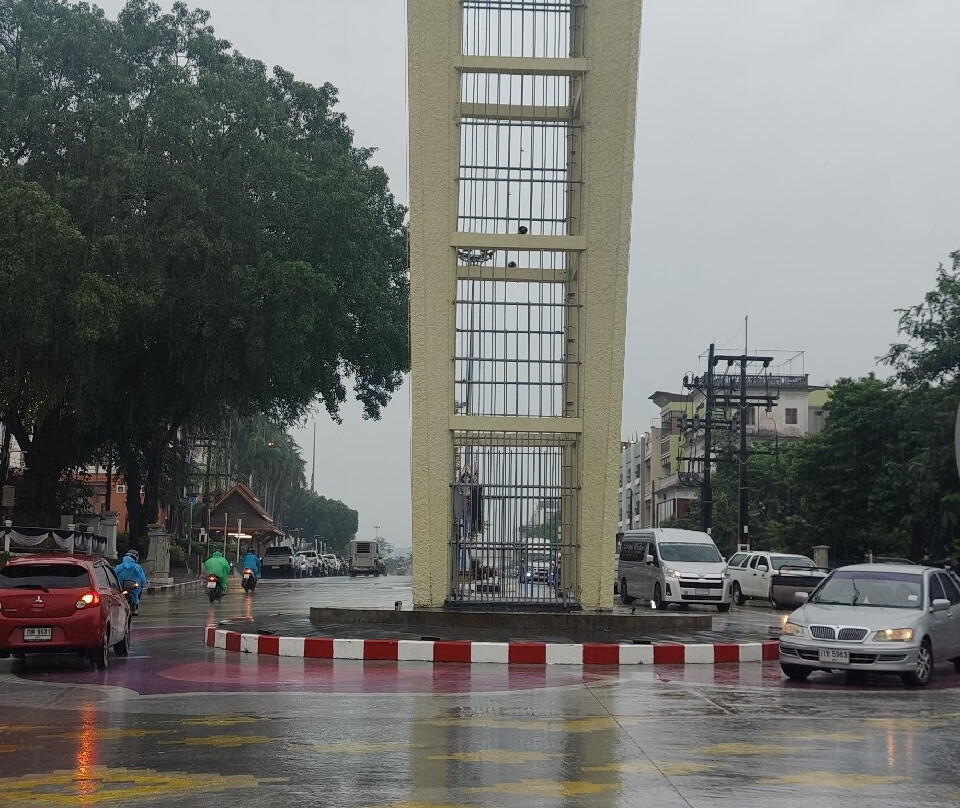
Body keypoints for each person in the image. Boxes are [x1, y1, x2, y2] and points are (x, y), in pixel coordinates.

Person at [115, 550, 148, 615]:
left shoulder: (120, 566)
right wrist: (143, 584)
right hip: (134, 586)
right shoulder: (137, 567)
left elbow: (115, 574)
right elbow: (142, 578)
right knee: (137, 593)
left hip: (122, 585)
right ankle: (135, 608)